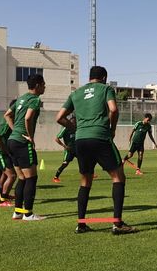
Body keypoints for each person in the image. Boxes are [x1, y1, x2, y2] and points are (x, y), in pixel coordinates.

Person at [55, 65, 136, 235]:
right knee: (118, 176)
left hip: (81, 140)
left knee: (85, 180)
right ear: (104, 77)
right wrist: (112, 129)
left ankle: (81, 224)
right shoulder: (106, 89)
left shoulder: (76, 93)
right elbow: (113, 109)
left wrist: (75, 129)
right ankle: (117, 224)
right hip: (100, 136)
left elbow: (59, 117)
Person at [4, 73, 46, 221]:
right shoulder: (35, 99)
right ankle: (28, 213)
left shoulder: (21, 98)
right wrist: (30, 136)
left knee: (21, 178)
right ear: (38, 86)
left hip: (11, 141)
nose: (45, 86)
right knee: (31, 179)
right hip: (22, 143)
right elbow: (28, 117)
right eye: (43, 84)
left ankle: (18, 211)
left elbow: (7, 115)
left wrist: (15, 129)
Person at [0, 105, 17, 207]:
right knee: (12, 176)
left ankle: (3, 195)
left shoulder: (12, 121)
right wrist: (6, 150)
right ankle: (2, 200)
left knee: (5, 175)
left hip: (4, 153)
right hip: (0, 153)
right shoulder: (6, 124)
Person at [53, 117, 77, 183]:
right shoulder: (65, 129)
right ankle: (55, 177)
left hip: (77, 148)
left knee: (85, 160)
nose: (74, 124)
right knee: (65, 164)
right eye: (73, 122)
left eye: (75, 122)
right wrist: (64, 146)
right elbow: (57, 139)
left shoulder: (77, 129)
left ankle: (89, 174)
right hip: (69, 150)